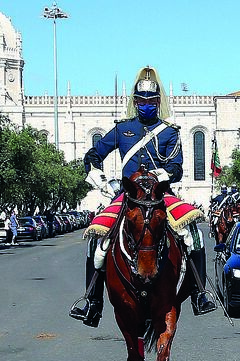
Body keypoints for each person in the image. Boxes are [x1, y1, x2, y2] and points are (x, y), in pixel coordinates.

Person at [70, 66, 216, 327]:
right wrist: (96, 174)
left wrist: (164, 174)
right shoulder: (122, 129)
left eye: (151, 101)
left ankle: (199, 294)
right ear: (135, 102)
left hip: (160, 194)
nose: (146, 105)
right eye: (141, 101)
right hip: (129, 196)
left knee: (194, 234)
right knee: (97, 238)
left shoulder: (169, 131)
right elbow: (95, 154)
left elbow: (177, 168)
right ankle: (92, 301)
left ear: (158, 102)